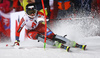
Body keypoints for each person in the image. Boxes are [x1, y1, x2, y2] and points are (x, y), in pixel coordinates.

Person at [13, 3, 87, 52]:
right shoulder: (24, 19)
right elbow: (18, 30)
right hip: (30, 32)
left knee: (52, 35)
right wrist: (17, 41)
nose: (32, 14)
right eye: (30, 12)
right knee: (39, 36)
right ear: (27, 12)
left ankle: (71, 42)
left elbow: (45, 17)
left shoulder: (39, 13)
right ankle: (55, 44)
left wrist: (46, 18)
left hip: (39, 27)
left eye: (33, 12)